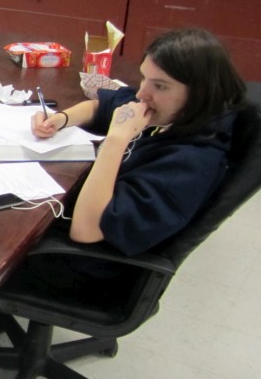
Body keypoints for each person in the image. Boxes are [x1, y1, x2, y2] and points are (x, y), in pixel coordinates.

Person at [13, 28, 247, 301]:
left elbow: (86, 231)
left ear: (199, 93)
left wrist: (117, 139)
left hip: (86, 269)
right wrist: (60, 119)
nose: (142, 94)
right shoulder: (180, 116)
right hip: (71, 228)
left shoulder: (189, 165)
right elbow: (102, 106)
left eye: (160, 86)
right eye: (144, 78)